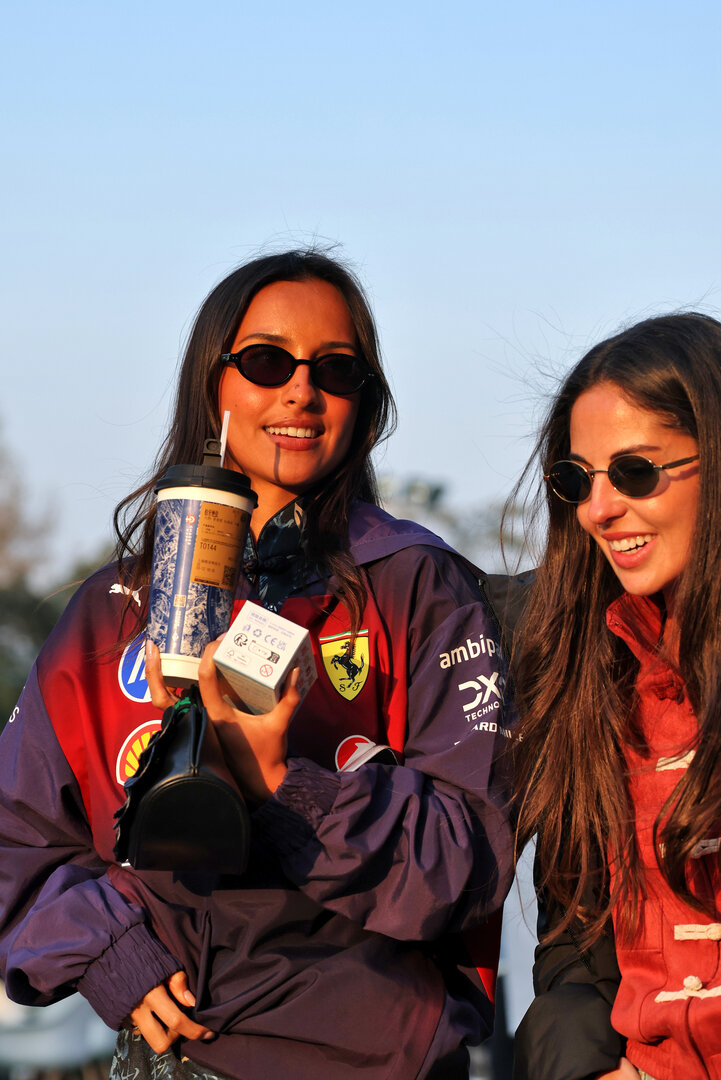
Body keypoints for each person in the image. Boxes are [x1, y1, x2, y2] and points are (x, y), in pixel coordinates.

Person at [0, 249, 515, 1080]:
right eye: (267, 361)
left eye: (336, 371)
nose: (300, 392)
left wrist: (287, 784)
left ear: (365, 403)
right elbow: (17, 839)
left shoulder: (419, 585)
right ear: (213, 381)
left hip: (377, 1058)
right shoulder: (111, 610)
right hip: (175, 1056)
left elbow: (472, 860)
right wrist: (107, 952)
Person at [510, 312, 721, 1080]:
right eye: (576, 480)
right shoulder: (585, 684)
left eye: (634, 471)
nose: (598, 509)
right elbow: (573, 944)